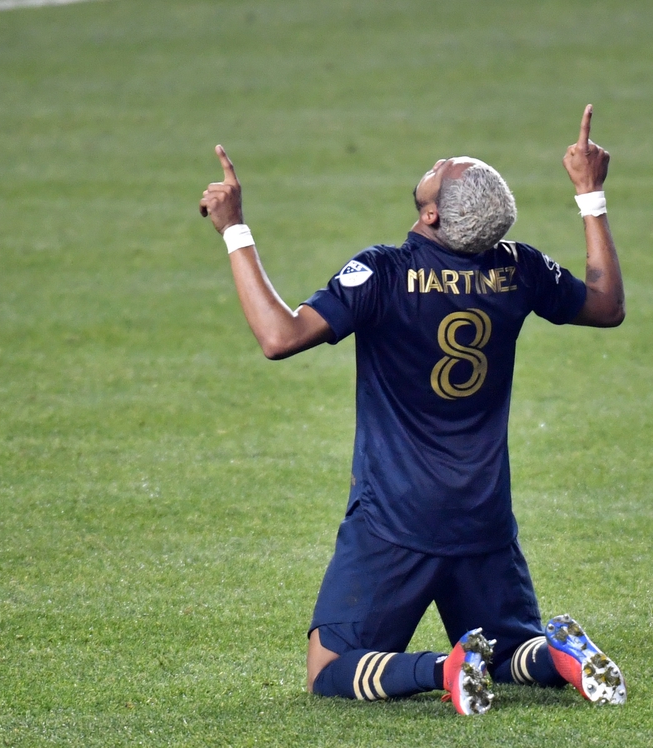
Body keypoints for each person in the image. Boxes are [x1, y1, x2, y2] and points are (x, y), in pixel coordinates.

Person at [199, 105, 627, 715]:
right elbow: (607, 305)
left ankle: (443, 667)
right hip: (483, 515)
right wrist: (590, 194)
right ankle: (558, 653)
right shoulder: (520, 269)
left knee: (328, 668)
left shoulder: (382, 272)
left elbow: (279, 336)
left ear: (429, 215)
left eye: (440, 170)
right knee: (509, 652)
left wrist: (234, 230)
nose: (437, 162)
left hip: (396, 520)